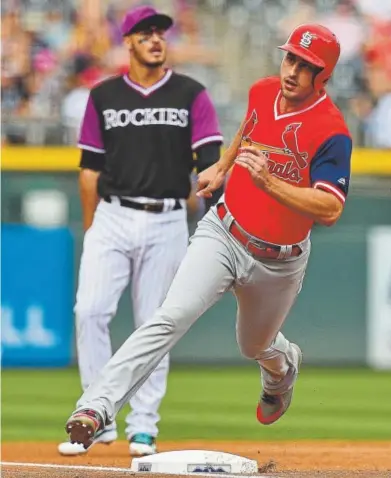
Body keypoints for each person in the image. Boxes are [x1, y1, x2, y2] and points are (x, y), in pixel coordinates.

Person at [64, 23, 352, 448]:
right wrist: (223, 165)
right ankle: (96, 405)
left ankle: (281, 364)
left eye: (306, 65)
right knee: (170, 316)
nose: (292, 70)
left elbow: (331, 208)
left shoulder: (332, 131)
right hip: (224, 231)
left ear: (323, 75)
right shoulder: (262, 91)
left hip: (278, 261)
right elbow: (249, 129)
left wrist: (270, 183)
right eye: (290, 57)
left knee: (252, 345)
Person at [58, 5, 223, 457]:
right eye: (145, 33)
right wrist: (92, 228)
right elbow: (89, 170)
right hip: (112, 214)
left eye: (160, 33)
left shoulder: (191, 93)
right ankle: (96, 413)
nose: (155, 39)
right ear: (127, 41)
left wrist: (211, 205)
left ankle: (144, 426)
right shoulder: (104, 95)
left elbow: (211, 162)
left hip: (168, 216)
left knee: (156, 323)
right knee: (89, 310)